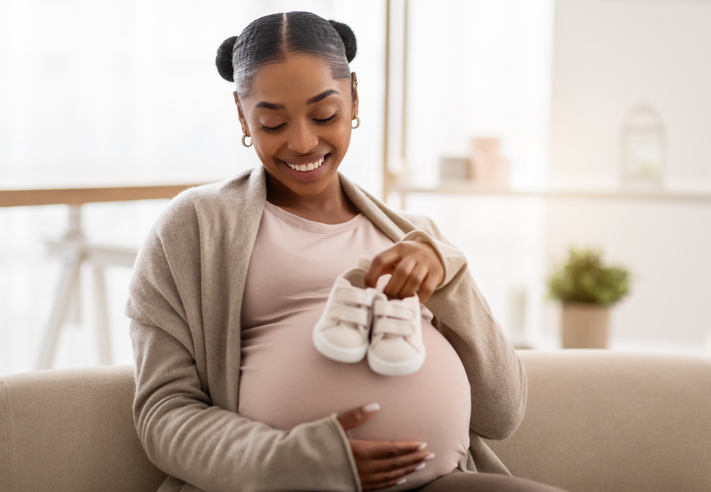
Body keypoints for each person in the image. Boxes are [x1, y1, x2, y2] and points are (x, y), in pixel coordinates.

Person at [127, 10, 566, 492]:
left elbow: (503, 413)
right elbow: (163, 415)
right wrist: (296, 462)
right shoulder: (194, 227)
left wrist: (449, 278)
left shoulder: (414, 235)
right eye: (273, 123)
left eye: (324, 115)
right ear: (241, 114)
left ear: (354, 96)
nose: (303, 142)